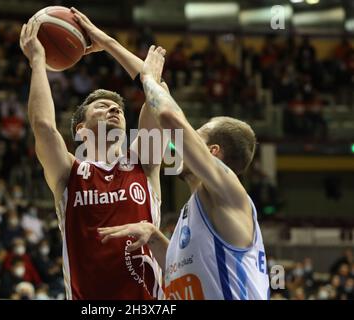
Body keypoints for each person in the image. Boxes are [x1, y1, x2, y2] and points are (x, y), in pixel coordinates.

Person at [99, 46, 270, 300]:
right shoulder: (195, 210)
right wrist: (154, 237)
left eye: (194, 137)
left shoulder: (229, 190)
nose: (178, 145)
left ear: (212, 152)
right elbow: (185, 273)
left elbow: (168, 115)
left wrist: (147, 77)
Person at [19, 8, 166, 299]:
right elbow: (44, 126)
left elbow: (157, 94)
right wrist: (38, 61)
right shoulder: (68, 172)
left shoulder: (144, 163)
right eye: (101, 107)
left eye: (119, 109)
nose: (113, 109)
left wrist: (108, 42)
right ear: (81, 129)